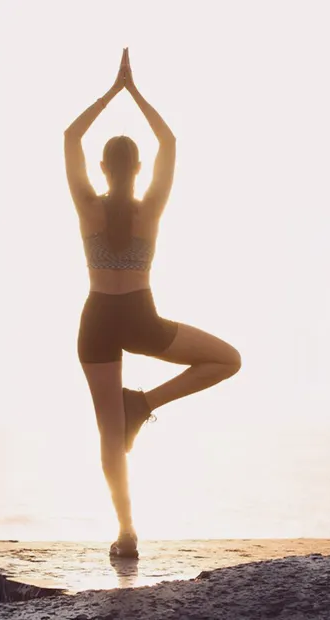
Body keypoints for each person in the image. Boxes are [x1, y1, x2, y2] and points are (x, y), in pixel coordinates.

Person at [64, 48, 241, 559]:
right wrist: (135, 92)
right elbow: (170, 140)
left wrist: (110, 92)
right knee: (228, 360)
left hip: (97, 319)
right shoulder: (152, 207)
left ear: (101, 167)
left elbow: (70, 137)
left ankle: (126, 532)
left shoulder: (87, 206)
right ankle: (143, 404)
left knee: (108, 434)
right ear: (139, 168)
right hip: (141, 318)